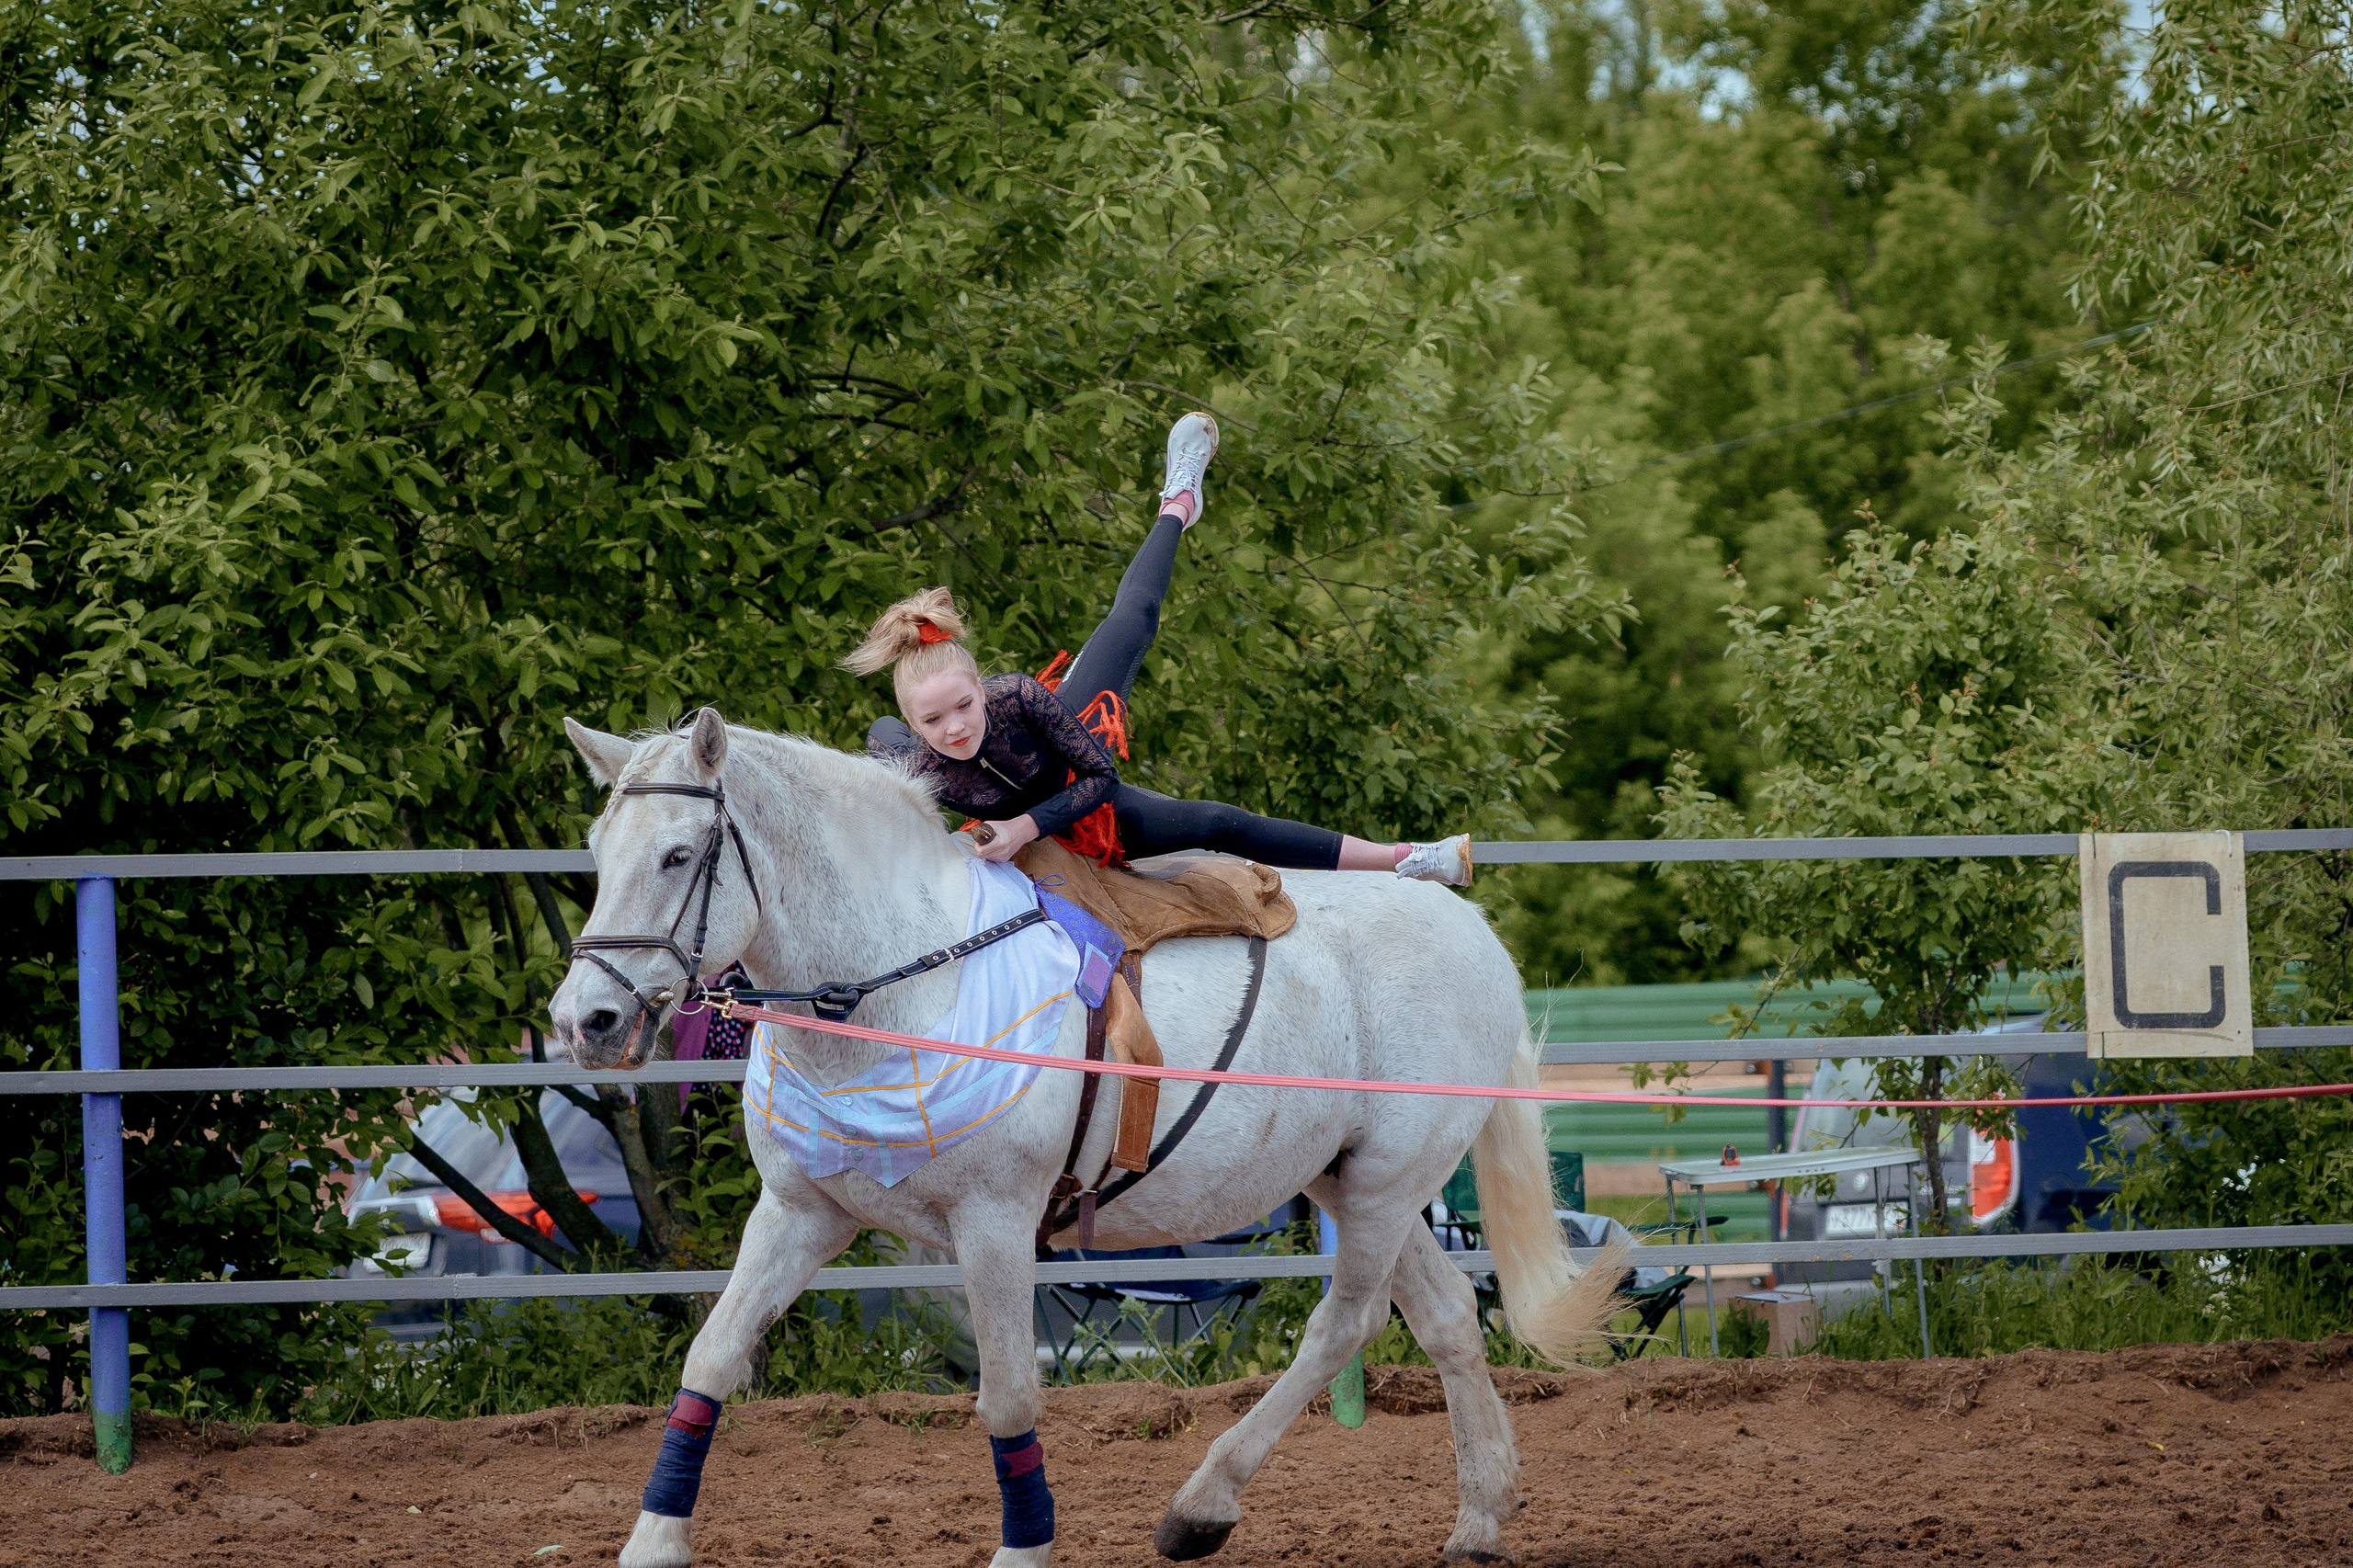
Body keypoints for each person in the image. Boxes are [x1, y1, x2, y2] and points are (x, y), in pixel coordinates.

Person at [847, 414, 1473, 885]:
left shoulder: (1016, 698)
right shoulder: (911, 758)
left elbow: (1100, 775)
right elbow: (874, 748)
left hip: (1080, 783)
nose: (955, 728)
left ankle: (1406, 859)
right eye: (933, 720)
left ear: (982, 690)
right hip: (1029, 846)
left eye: (963, 706)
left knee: (1139, 639)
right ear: (911, 725)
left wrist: (1022, 827)